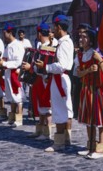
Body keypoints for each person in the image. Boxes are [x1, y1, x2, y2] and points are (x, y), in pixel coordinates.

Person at [74, 29, 103, 159]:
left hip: (99, 91)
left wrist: (100, 61)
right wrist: (88, 70)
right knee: (89, 120)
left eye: (84, 37)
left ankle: (101, 149)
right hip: (87, 90)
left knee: (101, 120)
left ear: (91, 40)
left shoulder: (98, 54)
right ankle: (91, 146)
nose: (81, 39)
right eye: (80, 36)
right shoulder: (79, 55)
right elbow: (78, 73)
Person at [36, 14, 74, 152]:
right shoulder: (64, 42)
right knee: (66, 108)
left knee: (59, 109)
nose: (52, 30)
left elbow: (62, 65)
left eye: (54, 27)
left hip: (59, 78)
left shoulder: (64, 43)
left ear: (58, 27)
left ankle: (59, 142)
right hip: (60, 78)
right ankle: (66, 139)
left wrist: (45, 68)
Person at [22, 22, 56, 139]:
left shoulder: (49, 47)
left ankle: (47, 132)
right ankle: (40, 129)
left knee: (46, 106)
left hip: (45, 79)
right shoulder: (40, 46)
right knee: (41, 105)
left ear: (39, 33)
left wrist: (30, 68)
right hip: (38, 79)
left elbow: (45, 67)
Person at [0, 22, 25, 127]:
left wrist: (4, 63)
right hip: (8, 72)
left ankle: (19, 118)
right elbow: (5, 57)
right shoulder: (8, 45)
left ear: (9, 33)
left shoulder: (17, 45)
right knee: (11, 96)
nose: (3, 35)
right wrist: (1, 62)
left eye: (5, 33)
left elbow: (18, 62)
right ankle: (12, 117)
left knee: (18, 96)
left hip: (16, 73)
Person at [72, 23, 93, 119]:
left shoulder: (93, 51)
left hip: (91, 83)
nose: (81, 37)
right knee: (76, 94)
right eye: (80, 34)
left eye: (83, 34)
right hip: (79, 77)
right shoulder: (79, 50)